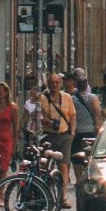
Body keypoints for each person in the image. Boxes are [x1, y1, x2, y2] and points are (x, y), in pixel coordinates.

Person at [40, 73, 77, 203]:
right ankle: (46, 195)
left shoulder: (67, 97)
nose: (54, 85)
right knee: (45, 166)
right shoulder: (43, 98)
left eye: (57, 82)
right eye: (52, 83)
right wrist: (46, 121)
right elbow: (38, 116)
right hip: (48, 136)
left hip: (64, 135)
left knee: (63, 166)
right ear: (48, 84)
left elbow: (72, 116)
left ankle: (63, 197)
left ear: (60, 84)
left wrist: (72, 132)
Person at [70, 68, 104, 157]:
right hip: (90, 131)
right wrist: (99, 130)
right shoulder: (93, 98)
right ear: (86, 86)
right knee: (89, 155)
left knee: (76, 156)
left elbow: (71, 116)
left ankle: (78, 171)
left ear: (76, 85)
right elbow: (98, 116)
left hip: (77, 132)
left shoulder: (72, 98)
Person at [0, 81, 18, 176]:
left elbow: (15, 127)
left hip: (6, 141)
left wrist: (14, 146)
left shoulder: (13, 107)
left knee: (3, 168)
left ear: (6, 92)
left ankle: (1, 191)